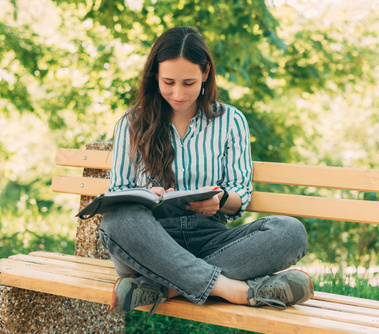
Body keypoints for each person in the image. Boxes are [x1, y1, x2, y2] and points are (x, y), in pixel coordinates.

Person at [99, 26, 313, 317]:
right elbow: (119, 192)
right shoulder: (132, 122)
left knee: (290, 232)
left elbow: (240, 194)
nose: (178, 93)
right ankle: (236, 290)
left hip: (211, 238)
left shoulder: (230, 120)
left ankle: (163, 286)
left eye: (188, 82)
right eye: (168, 82)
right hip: (150, 242)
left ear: (205, 73)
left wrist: (221, 199)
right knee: (117, 219)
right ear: (155, 77)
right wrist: (145, 195)